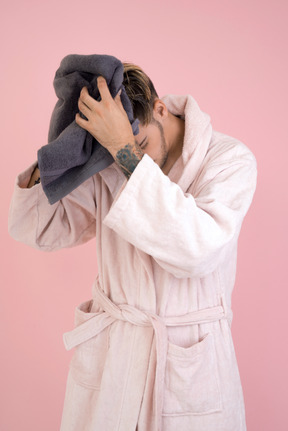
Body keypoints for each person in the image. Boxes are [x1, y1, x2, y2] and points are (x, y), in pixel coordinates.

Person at [8, 62, 257, 431]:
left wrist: (125, 149)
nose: (129, 156)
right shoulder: (108, 157)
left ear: (160, 108)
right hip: (116, 359)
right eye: (125, 147)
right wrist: (61, 153)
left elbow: (199, 248)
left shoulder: (229, 160)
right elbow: (37, 228)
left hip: (191, 367)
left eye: (140, 144)